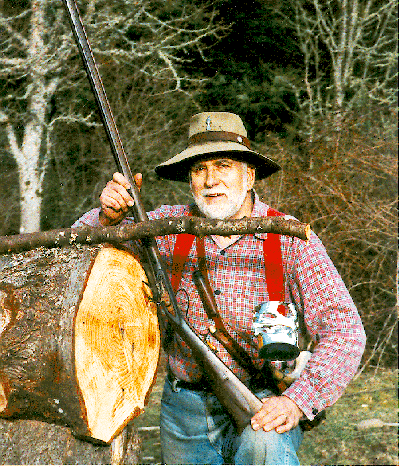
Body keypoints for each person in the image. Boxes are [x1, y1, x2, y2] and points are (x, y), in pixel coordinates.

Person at [74, 111, 366, 465]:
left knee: (266, 446)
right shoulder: (165, 229)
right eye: (199, 169)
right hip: (184, 410)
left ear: (250, 174)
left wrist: (297, 400)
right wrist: (109, 217)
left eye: (224, 165)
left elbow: (345, 332)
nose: (211, 180)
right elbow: (84, 257)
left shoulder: (290, 238)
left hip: (262, 401)